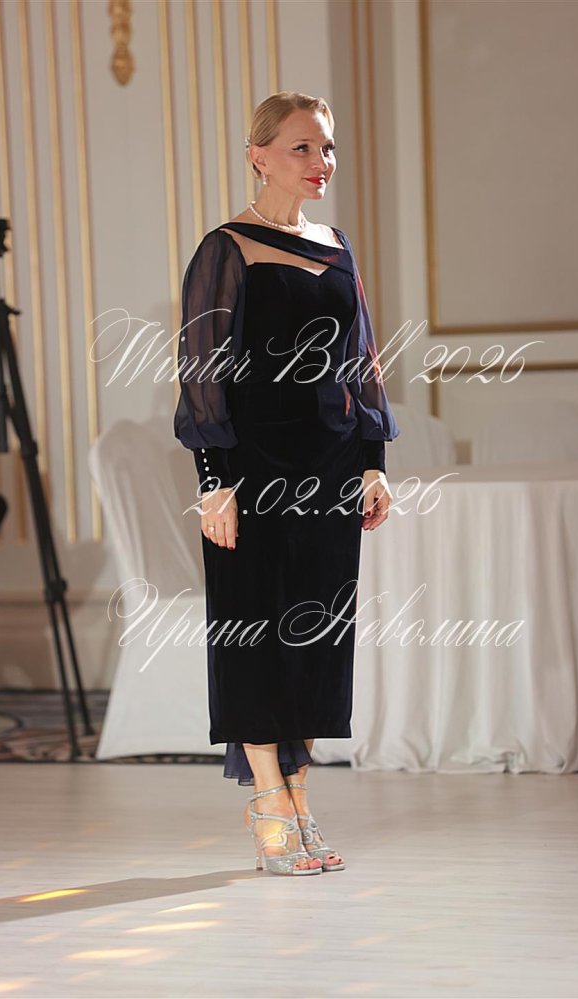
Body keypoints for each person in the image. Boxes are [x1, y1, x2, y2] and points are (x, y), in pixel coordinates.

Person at [174, 91, 400, 876]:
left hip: (331, 470)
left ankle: (300, 800)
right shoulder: (226, 248)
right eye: (302, 147)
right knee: (254, 632)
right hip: (251, 470)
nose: (320, 161)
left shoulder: (337, 246)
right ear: (258, 156)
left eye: (326, 147)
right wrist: (214, 481)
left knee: (312, 637)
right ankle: (269, 799)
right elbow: (202, 371)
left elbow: (362, 361)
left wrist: (374, 460)